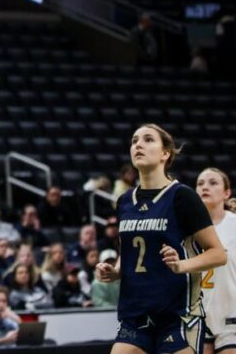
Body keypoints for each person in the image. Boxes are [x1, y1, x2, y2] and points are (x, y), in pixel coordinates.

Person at [95, 124, 227, 354]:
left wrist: (181, 265)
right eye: (135, 140)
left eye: (147, 140)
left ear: (165, 153)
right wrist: (115, 270)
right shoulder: (125, 201)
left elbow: (218, 254)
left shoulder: (182, 196)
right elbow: (129, 251)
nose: (138, 145)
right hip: (136, 314)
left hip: (177, 315)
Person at [196, 167, 236, 354]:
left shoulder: (234, 224)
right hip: (199, 313)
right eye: (200, 184)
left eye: (213, 183)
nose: (205, 187)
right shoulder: (187, 229)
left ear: (226, 193)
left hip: (231, 312)